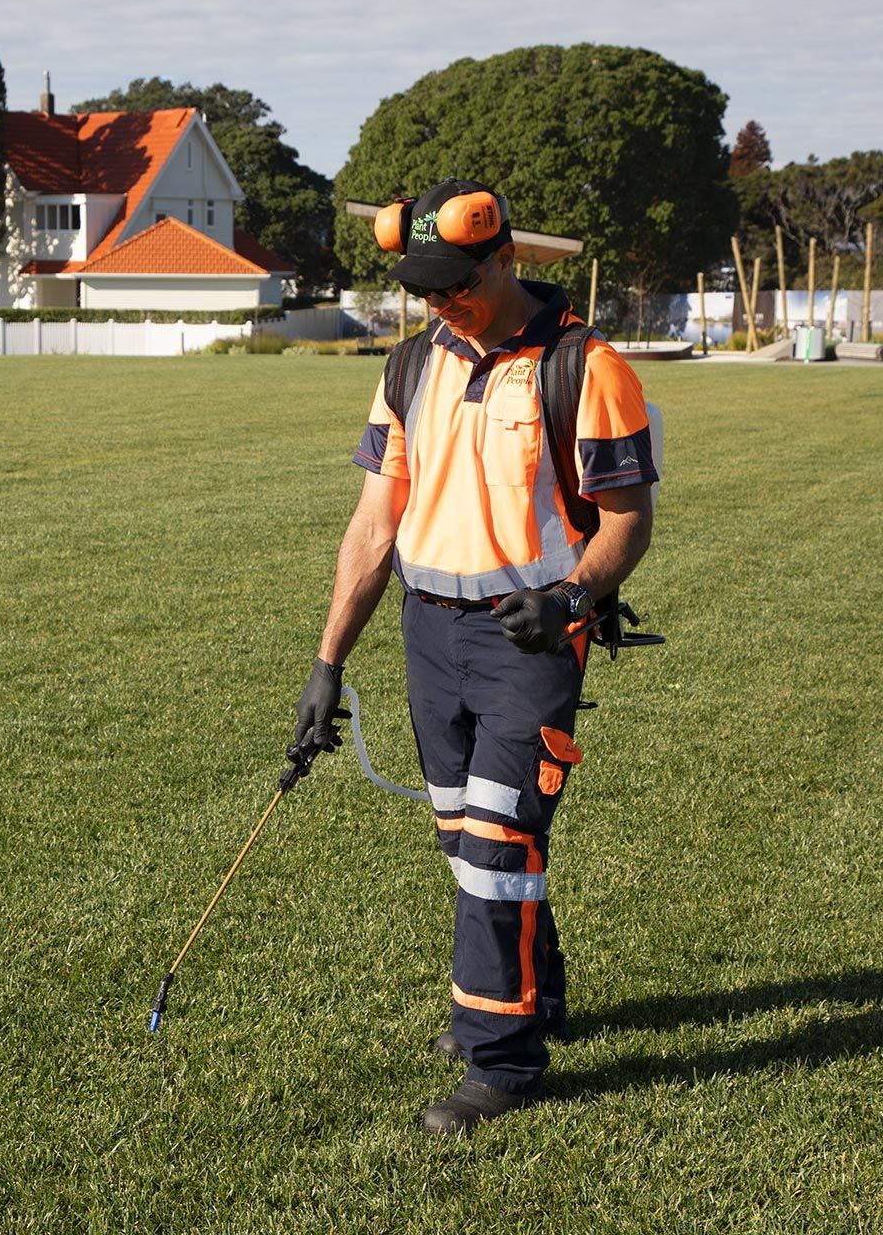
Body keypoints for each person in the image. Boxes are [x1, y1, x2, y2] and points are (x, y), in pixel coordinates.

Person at [293, 178, 657, 1134]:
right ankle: (533, 991)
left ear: (502, 260)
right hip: (428, 635)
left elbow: (628, 521)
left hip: (528, 639)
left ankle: (500, 1058)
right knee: (467, 843)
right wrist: (329, 660)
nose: (438, 301)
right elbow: (375, 522)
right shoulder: (411, 366)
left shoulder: (588, 365)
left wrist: (574, 597)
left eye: (454, 282)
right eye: (422, 286)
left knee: (498, 847)